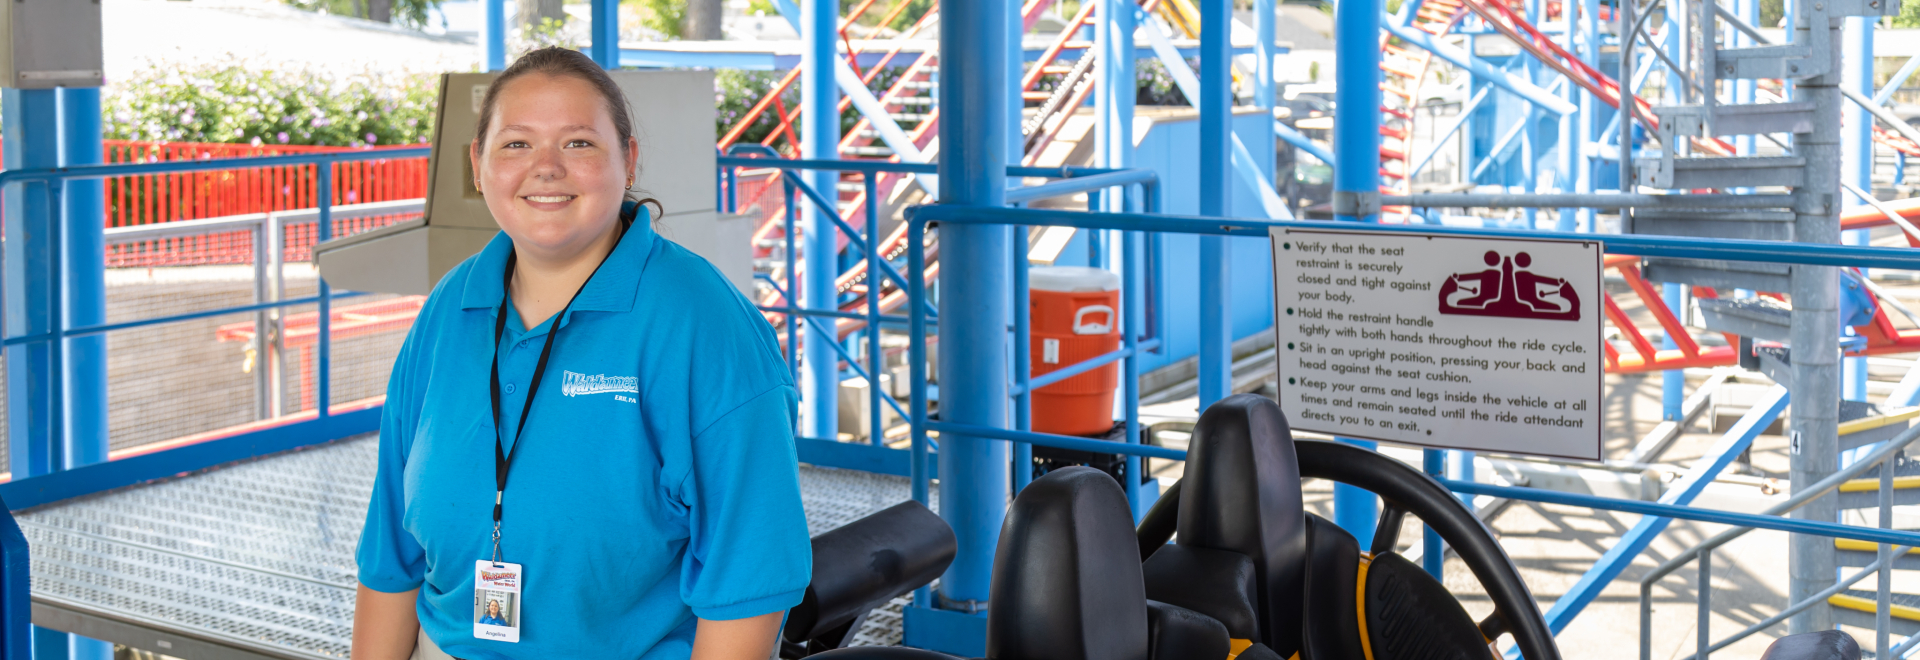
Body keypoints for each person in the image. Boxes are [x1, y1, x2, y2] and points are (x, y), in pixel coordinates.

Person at [351, 47, 812, 660]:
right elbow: (391, 551)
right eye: (516, 144)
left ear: (629, 158)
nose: (546, 168)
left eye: (578, 143)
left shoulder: (702, 323)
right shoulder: (449, 308)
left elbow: (748, 578)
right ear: (477, 162)